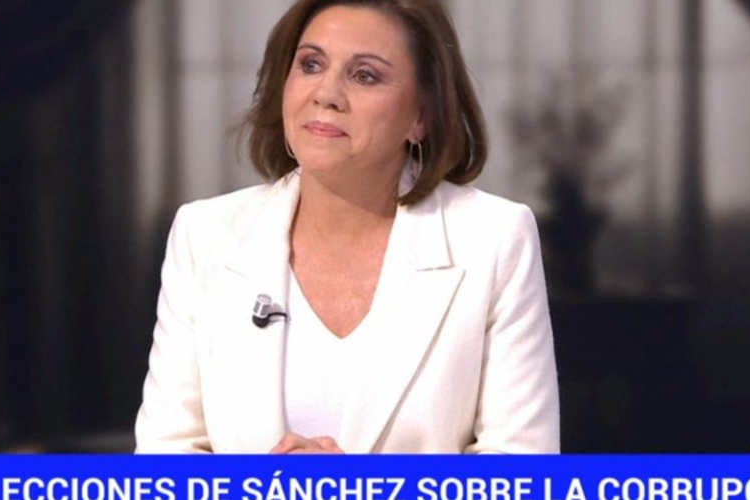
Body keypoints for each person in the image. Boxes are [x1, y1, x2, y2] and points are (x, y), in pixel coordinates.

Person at [135, 0, 559, 454]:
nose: (326, 93)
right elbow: (165, 461)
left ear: (421, 116)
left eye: (365, 75)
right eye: (311, 65)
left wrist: (357, 484)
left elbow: (522, 470)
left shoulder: (494, 239)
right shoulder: (204, 235)